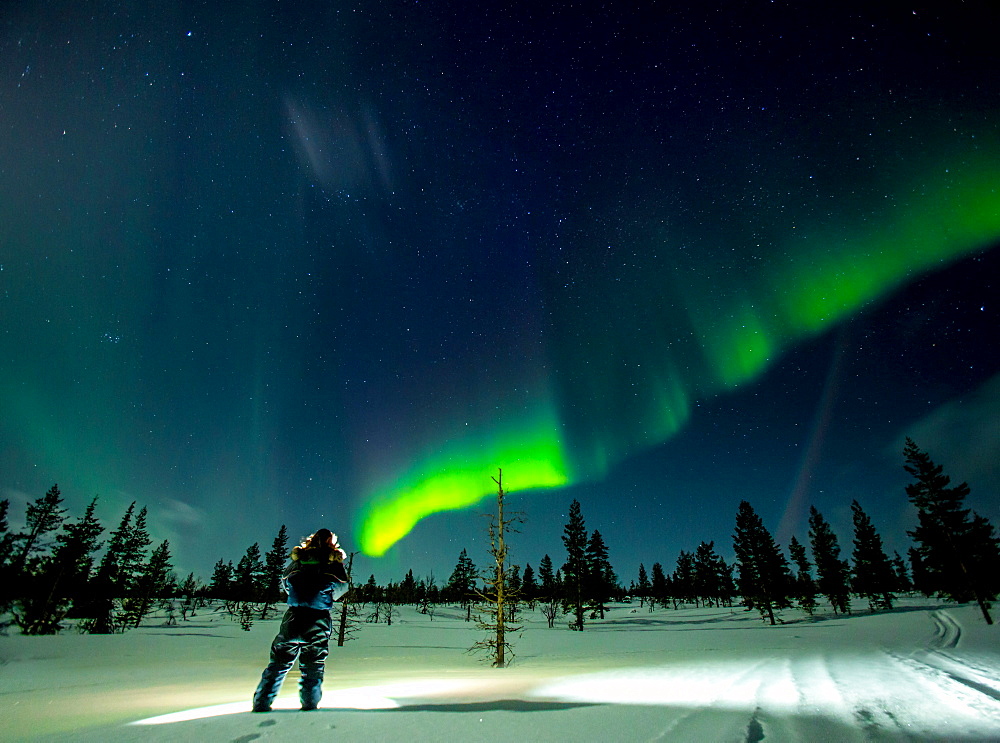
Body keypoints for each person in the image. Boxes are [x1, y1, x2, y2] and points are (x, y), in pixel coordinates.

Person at [252, 528, 350, 712]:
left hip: (293, 617)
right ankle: (309, 707)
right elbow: (341, 588)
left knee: (278, 665)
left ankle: (261, 704)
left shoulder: (299, 560)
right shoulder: (333, 563)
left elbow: (286, 582)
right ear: (332, 542)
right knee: (312, 667)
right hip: (318, 619)